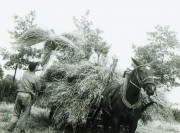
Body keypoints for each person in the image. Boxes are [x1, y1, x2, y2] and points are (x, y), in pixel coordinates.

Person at [7, 62, 41, 133]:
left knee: (16, 114)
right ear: (35, 68)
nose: (37, 67)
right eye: (37, 67)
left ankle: (10, 129)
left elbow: (29, 70)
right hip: (27, 96)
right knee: (24, 114)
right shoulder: (36, 77)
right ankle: (22, 131)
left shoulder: (25, 74)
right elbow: (38, 89)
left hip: (19, 94)